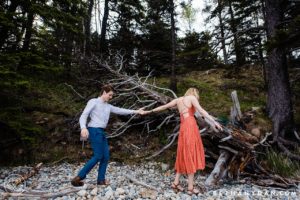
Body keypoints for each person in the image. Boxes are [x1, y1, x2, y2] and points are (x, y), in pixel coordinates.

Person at [142, 88, 223, 195]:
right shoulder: (192, 98)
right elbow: (202, 111)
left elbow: (164, 107)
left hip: (183, 127)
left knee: (183, 153)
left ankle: (175, 183)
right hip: (190, 127)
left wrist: (148, 111)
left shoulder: (178, 100)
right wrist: (214, 122)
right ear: (194, 93)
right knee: (191, 154)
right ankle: (190, 188)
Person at [71, 84, 144, 186]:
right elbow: (84, 115)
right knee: (98, 156)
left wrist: (136, 111)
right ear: (104, 92)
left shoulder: (108, 106)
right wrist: (83, 127)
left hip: (101, 132)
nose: (111, 97)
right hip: (93, 130)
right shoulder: (93, 102)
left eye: (112, 95)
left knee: (105, 157)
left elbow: (121, 110)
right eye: (110, 95)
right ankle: (79, 177)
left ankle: (101, 180)